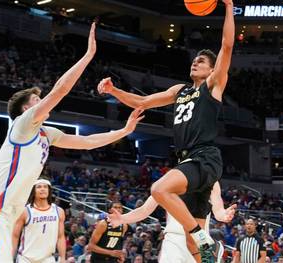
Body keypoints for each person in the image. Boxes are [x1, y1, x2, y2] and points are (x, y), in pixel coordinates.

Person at [0, 22, 144, 263]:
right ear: (26, 108)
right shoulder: (22, 125)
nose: (42, 101)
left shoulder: (46, 133)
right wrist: (88, 56)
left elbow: (87, 142)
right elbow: (59, 91)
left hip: (7, 214)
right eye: (36, 99)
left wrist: (125, 130)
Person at [97, 0, 234, 261]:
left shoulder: (213, 86)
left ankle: (201, 235)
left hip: (204, 157)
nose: (196, 62)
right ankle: (201, 242)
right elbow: (142, 102)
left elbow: (227, 45)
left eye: (202, 61)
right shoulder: (178, 91)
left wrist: (228, 6)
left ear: (211, 69)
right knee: (195, 250)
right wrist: (114, 91)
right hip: (189, 162)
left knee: (159, 189)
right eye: (195, 59)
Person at [108, 182, 236, 263]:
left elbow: (218, 211)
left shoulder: (211, 181)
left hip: (200, 239)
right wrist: (123, 218)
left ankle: (214, 248)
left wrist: (224, 215)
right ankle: (215, 249)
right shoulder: (170, 181)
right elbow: (144, 210)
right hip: (175, 238)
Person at [12, 179, 65, 262]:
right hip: (26, 259)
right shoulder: (25, 211)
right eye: (39, 187)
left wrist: (62, 257)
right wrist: (10, 257)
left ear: (49, 190)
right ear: (33, 191)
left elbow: (61, 237)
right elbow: (15, 236)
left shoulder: (59, 211)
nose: (42, 189)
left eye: (45, 187)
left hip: (47, 258)